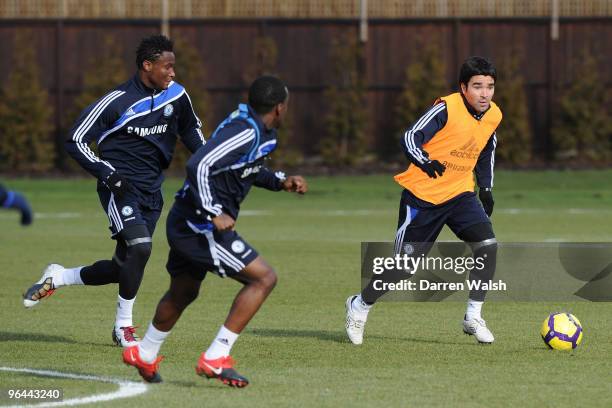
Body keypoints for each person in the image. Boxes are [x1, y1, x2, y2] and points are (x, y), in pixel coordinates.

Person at [122, 76, 307, 387]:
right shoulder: (246, 131)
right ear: (279, 108)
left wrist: (279, 181)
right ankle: (216, 357)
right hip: (199, 224)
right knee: (263, 278)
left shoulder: (253, 127)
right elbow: (200, 164)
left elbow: (241, 168)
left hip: (185, 220)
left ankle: (145, 352)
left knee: (184, 291)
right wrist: (213, 211)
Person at [22, 35, 206, 348]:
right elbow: (76, 140)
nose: (173, 73)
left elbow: (190, 130)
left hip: (152, 190)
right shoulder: (117, 100)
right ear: (147, 66)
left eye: (174, 67)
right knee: (141, 248)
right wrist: (109, 175)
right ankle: (123, 327)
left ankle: (59, 276)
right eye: (167, 67)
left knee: (124, 267)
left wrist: (206, 160)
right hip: (119, 189)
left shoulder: (176, 95)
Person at [345, 56, 502, 345]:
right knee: (404, 267)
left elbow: (486, 150)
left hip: (460, 195)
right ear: (463, 87)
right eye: (477, 86)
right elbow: (410, 136)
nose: (484, 93)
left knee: (488, 247)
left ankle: (473, 316)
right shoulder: (446, 108)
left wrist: (486, 188)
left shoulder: (493, 115)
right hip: (423, 198)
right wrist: (424, 161)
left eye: (490, 87)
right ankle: (359, 304)